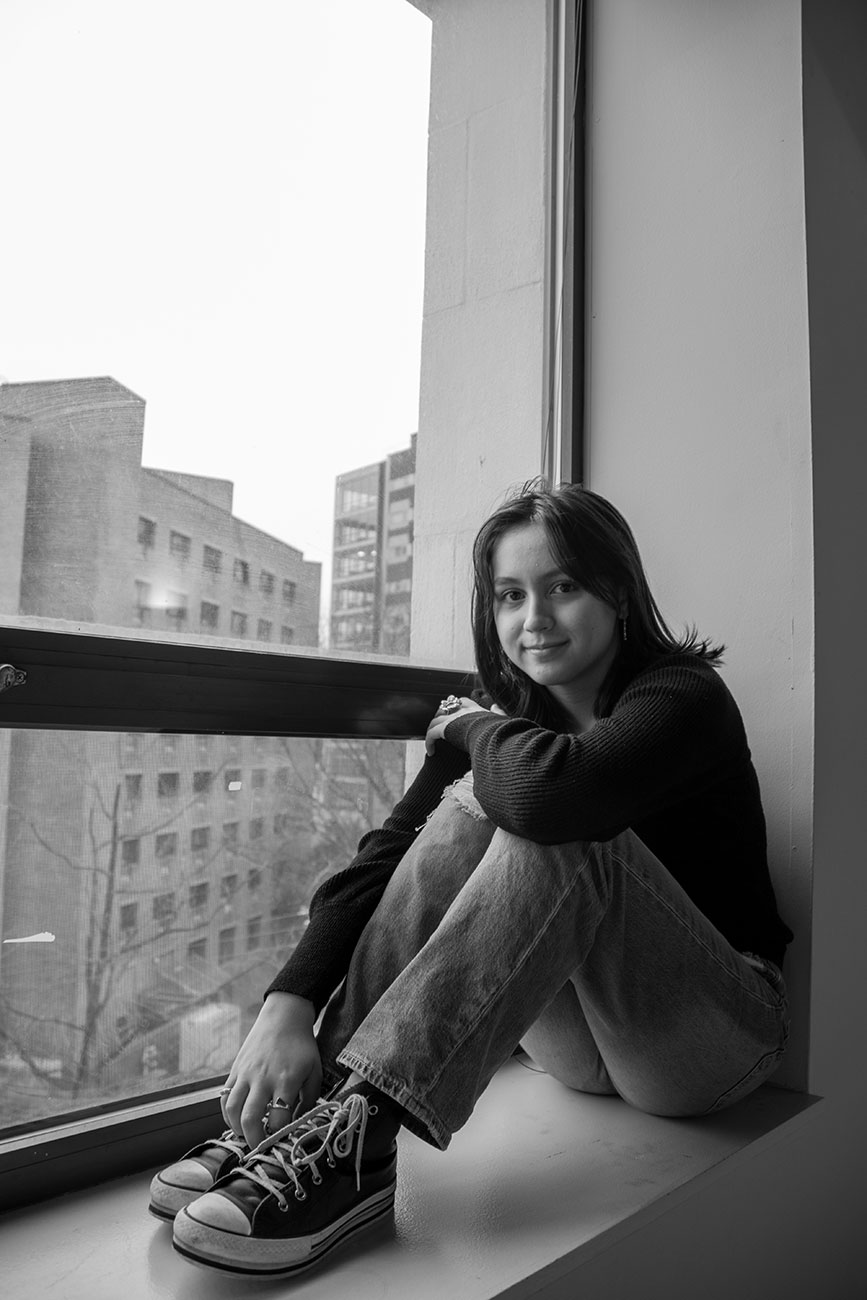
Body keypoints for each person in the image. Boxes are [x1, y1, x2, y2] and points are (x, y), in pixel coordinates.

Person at [152, 480, 792, 1278]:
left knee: (557, 826)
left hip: (710, 1041)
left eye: (563, 586)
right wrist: (288, 1004)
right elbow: (382, 859)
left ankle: (365, 1133)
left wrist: (471, 722)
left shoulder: (681, 696)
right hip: (574, 1049)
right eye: (510, 595)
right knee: (466, 809)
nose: (535, 619)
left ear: (618, 593)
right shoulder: (507, 735)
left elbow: (561, 795)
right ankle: (313, 1127)